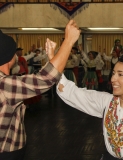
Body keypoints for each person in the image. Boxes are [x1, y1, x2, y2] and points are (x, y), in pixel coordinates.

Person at [0, 20, 80, 159]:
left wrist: (52, 57)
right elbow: (47, 78)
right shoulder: (5, 85)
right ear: (9, 57)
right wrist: (68, 41)